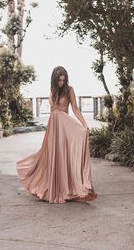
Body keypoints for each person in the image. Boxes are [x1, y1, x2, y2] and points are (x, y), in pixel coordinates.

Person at [16, 66, 98, 203]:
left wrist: (84, 125)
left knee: (63, 157)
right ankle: (53, 187)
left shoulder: (70, 90)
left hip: (64, 126)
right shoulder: (53, 90)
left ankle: (67, 189)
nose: (61, 82)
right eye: (59, 80)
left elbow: (75, 109)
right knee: (49, 157)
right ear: (54, 80)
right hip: (53, 127)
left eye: (63, 80)